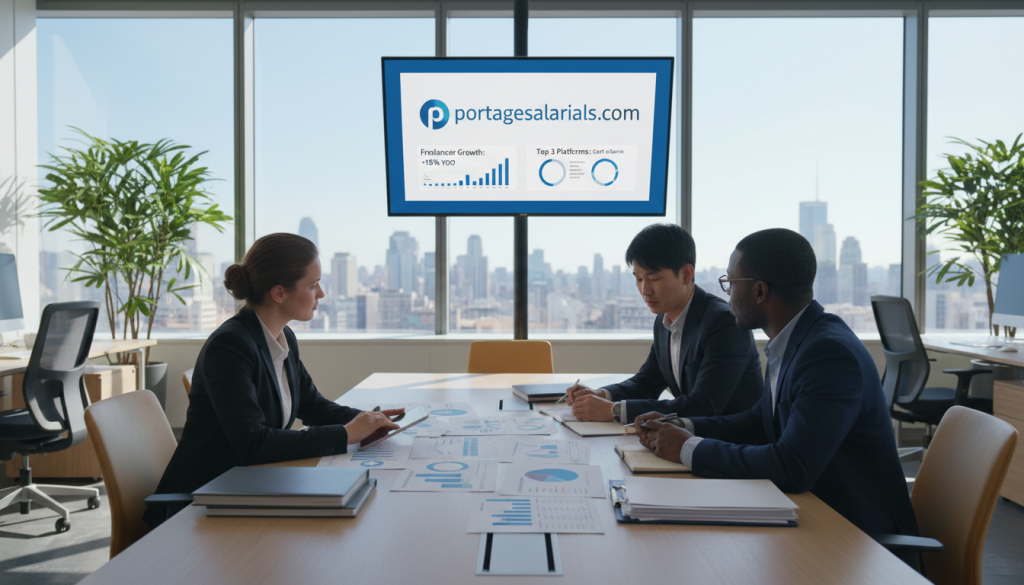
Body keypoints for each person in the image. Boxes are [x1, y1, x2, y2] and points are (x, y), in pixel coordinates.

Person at [636, 228, 918, 537]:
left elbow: (792, 466)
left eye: (730, 283)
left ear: (759, 292)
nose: (726, 294)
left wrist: (689, 449)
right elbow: (759, 421)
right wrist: (683, 426)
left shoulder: (828, 354)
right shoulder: (795, 338)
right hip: (811, 512)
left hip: (856, 536)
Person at [144, 233, 401, 527]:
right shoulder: (229, 347)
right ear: (279, 293)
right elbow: (254, 443)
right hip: (203, 504)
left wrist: (369, 420)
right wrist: (346, 434)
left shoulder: (281, 336)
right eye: (314, 285)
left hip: (250, 486)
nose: (322, 294)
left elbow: (312, 405)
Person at [567, 223, 762, 423]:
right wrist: (602, 395)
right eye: (639, 279)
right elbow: (647, 382)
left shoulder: (723, 323)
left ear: (686, 274)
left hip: (732, 444)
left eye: (654, 278)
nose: (645, 290)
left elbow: (703, 405)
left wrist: (615, 410)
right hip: (689, 438)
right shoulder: (664, 320)